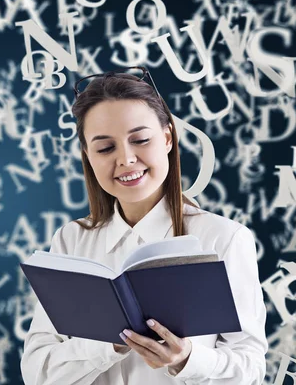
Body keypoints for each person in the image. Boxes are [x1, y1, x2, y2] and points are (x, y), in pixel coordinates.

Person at [20, 68, 268, 384]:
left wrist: (187, 359)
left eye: (140, 139)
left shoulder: (223, 238)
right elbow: (37, 372)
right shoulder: (72, 240)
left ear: (166, 138)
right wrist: (108, 343)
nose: (126, 159)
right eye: (105, 148)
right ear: (88, 155)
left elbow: (250, 370)